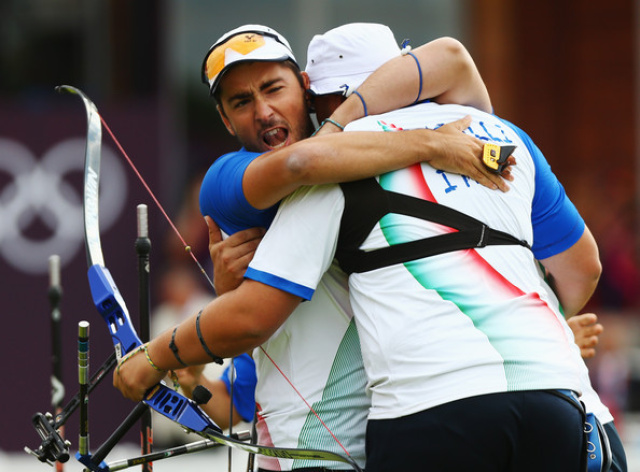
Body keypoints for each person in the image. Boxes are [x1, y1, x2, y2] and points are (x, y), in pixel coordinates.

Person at [113, 24, 627, 471]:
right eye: (241, 102)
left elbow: (250, 316)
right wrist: (550, 324)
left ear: (310, 94)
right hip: (561, 407)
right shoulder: (489, 136)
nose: (264, 111)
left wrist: (159, 355)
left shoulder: (326, 186)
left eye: (275, 88)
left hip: (421, 422)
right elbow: (583, 270)